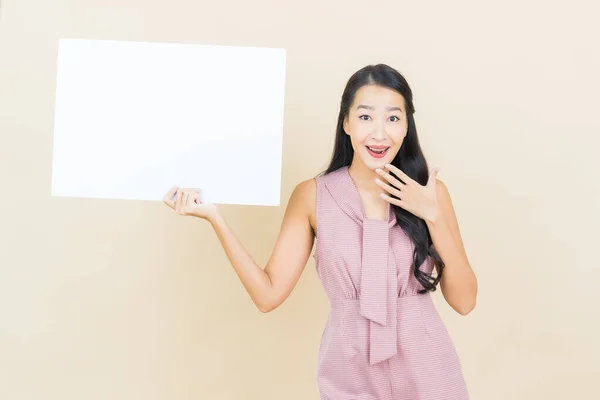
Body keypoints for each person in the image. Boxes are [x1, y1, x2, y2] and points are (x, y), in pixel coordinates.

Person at [163, 64, 478, 400]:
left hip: (428, 374)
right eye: (366, 117)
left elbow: (464, 301)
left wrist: (432, 214)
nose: (379, 134)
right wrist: (216, 219)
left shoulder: (430, 192)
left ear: (406, 126)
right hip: (349, 374)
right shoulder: (313, 196)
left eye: (393, 118)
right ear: (346, 122)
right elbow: (268, 295)